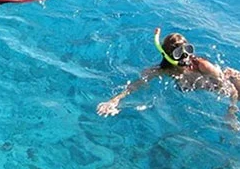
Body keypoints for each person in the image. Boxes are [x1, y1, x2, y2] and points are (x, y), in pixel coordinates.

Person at [97, 28, 240, 130]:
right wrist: (114, 100)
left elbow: (232, 90)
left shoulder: (202, 66)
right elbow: (135, 85)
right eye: (179, 53)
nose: (186, 56)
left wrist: (231, 113)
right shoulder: (165, 70)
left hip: (233, 82)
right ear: (169, 56)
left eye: (188, 49)